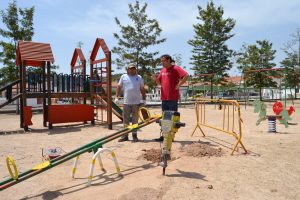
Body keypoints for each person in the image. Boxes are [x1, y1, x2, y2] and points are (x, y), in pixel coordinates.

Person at [151, 54, 189, 141]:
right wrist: (155, 79)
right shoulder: (162, 70)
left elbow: (186, 75)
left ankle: (171, 137)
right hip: (164, 98)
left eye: (163, 61)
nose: (162, 63)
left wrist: (179, 84)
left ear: (168, 60)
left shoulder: (175, 68)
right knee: (165, 118)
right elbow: (159, 83)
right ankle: (164, 136)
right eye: (161, 61)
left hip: (172, 98)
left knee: (172, 118)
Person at [115, 63, 146, 142]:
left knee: (135, 120)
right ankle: (125, 136)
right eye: (130, 68)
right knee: (126, 119)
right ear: (127, 69)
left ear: (135, 69)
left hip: (136, 102)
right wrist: (116, 97)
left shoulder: (139, 77)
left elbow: (142, 88)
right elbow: (119, 87)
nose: (132, 70)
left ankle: (134, 136)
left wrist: (144, 98)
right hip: (126, 102)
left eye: (133, 68)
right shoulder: (123, 76)